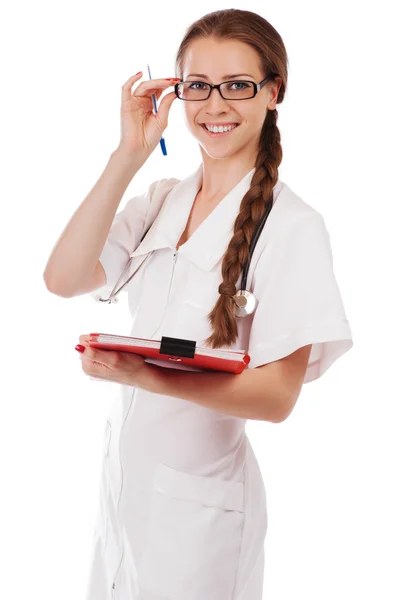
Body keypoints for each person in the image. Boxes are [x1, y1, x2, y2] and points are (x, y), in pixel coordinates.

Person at [44, 8, 353, 600]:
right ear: (178, 92)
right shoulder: (162, 198)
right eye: (198, 87)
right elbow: (62, 278)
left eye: (237, 85)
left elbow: (277, 396)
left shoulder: (292, 227)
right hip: (126, 495)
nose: (215, 106)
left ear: (273, 92)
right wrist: (128, 154)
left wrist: (144, 375)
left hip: (200, 519)